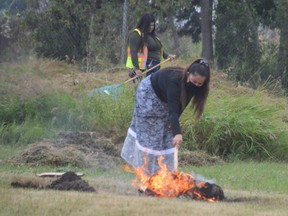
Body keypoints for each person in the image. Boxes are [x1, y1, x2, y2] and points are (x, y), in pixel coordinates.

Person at [121, 58, 210, 176]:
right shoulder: (175, 82)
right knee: (152, 138)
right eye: (194, 82)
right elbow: (173, 111)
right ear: (188, 75)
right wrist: (178, 133)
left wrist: (173, 130)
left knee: (168, 135)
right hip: (149, 96)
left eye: (200, 84)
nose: (196, 85)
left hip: (165, 101)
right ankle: (146, 177)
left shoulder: (195, 87)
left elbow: (179, 109)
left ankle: (167, 177)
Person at [126, 13, 175, 80]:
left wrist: (166, 56)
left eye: (153, 25)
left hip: (155, 66)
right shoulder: (136, 35)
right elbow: (133, 52)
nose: (151, 27)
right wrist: (137, 69)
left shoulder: (152, 35)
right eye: (149, 25)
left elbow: (158, 48)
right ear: (144, 25)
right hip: (144, 68)